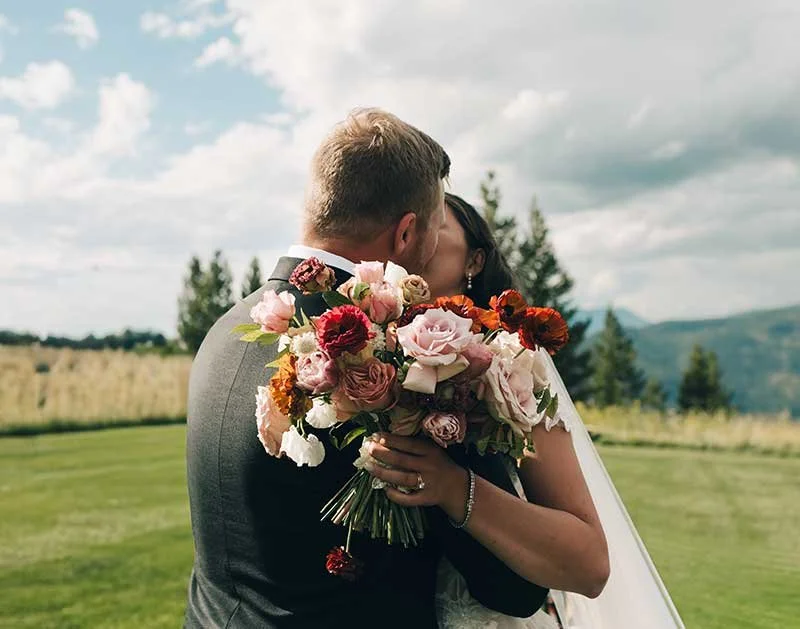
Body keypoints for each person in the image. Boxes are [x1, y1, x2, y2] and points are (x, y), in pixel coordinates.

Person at [183, 110, 548, 629]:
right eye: (437, 222)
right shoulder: (399, 362)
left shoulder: (227, 328)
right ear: (405, 233)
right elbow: (513, 586)